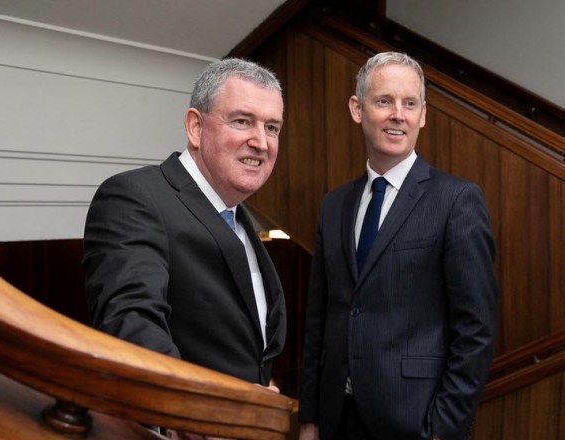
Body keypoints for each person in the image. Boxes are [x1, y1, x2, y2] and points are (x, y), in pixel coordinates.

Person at [298, 52, 499, 440]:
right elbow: (318, 320)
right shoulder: (334, 205)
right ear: (357, 108)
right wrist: (310, 418)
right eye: (384, 101)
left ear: (423, 115)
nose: (398, 115)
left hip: (413, 423)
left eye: (410, 104)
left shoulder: (456, 201)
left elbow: (476, 330)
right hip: (336, 420)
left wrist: (442, 429)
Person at [83, 58, 286, 389]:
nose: (261, 142)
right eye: (242, 121)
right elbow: (132, 325)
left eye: (272, 128)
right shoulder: (135, 197)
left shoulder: (239, 217)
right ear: (195, 127)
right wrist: (209, 405)